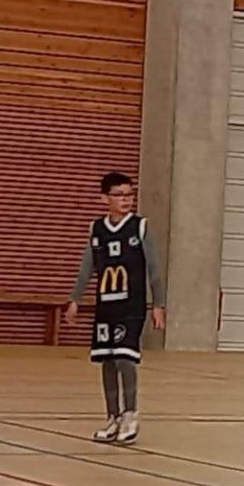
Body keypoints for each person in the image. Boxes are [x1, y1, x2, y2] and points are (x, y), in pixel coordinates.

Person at [65, 172, 166, 445]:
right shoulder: (97, 229)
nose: (126, 200)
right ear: (104, 198)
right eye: (119, 195)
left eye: (129, 195)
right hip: (106, 306)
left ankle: (131, 414)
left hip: (131, 305)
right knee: (107, 360)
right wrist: (75, 299)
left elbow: (154, 269)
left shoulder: (140, 227)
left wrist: (158, 304)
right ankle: (113, 417)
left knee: (125, 358)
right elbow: (87, 267)